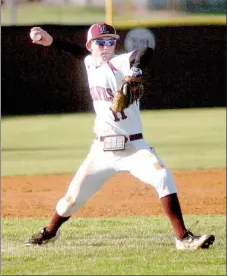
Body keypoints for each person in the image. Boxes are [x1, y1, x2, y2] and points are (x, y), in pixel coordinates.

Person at [25, 22, 215, 250]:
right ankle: (49, 232)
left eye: (111, 42)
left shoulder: (121, 62)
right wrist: (53, 41)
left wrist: (135, 70)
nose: (106, 46)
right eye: (101, 42)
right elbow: (78, 53)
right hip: (101, 152)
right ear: (90, 46)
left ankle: (183, 238)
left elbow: (145, 52)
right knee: (69, 201)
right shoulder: (89, 64)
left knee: (163, 176)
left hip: (135, 147)